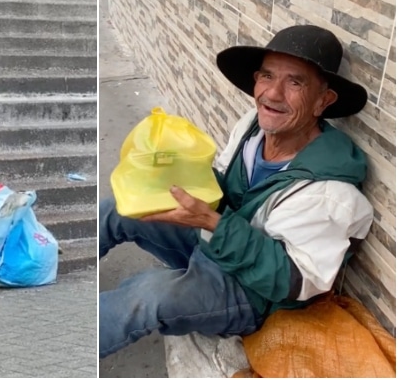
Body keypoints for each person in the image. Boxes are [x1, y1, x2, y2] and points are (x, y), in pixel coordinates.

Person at [99, 25, 374, 358]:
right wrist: (174, 176)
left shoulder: (331, 193)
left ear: (322, 101)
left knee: (147, 295)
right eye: (267, 76)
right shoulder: (252, 126)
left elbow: (293, 282)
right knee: (122, 208)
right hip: (216, 244)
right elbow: (227, 190)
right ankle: (43, 271)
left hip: (252, 294)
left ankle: (63, 349)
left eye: (295, 82)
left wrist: (214, 223)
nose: (272, 94)